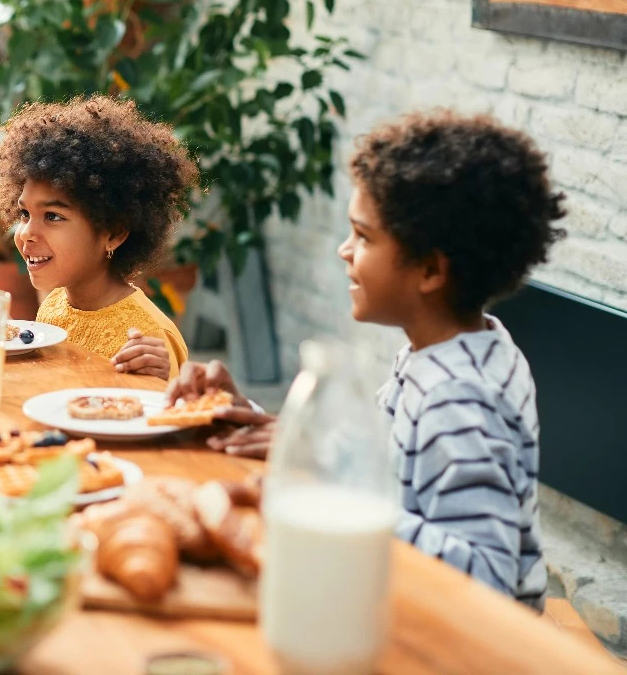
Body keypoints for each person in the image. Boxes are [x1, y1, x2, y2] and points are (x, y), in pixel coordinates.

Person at [169, 109, 565, 609]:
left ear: (429, 270)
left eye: (364, 236)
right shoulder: (449, 351)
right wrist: (276, 428)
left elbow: (488, 576)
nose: (344, 250)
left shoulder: (458, 397)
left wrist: (328, 496)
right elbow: (386, 462)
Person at [0, 97, 197, 381]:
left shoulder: (147, 338)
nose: (26, 234)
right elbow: (44, 385)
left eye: (53, 216)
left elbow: (177, 417)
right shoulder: (56, 304)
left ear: (114, 233)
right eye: (25, 213)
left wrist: (164, 381)